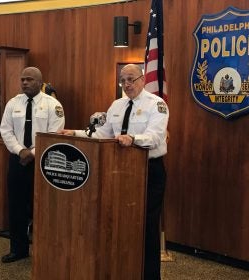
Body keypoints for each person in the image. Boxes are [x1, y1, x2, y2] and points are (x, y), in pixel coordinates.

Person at [59, 64, 169, 280]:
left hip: (148, 171)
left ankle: (149, 276)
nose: (126, 84)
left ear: (142, 79)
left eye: (131, 79)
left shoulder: (156, 105)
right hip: (119, 171)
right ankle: (124, 270)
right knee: (121, 222)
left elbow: (156, 136)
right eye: (123, 80)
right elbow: (103, 134)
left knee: (146, 226)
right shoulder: (116, 105)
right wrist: (75, 132)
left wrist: (133, 139)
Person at [0, 66, 65, 263]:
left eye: (29, 79)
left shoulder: (53, 105)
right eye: (22, 79)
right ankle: (18, 249)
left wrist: (33, 153)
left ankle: (45, 251)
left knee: (43, 208)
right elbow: (5, 130)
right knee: (16, 206)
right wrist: (20, 151)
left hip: (43, 161)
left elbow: (54, 134)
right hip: (17, 160)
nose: (25, 83)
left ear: (40, 82)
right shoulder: (13, 103)